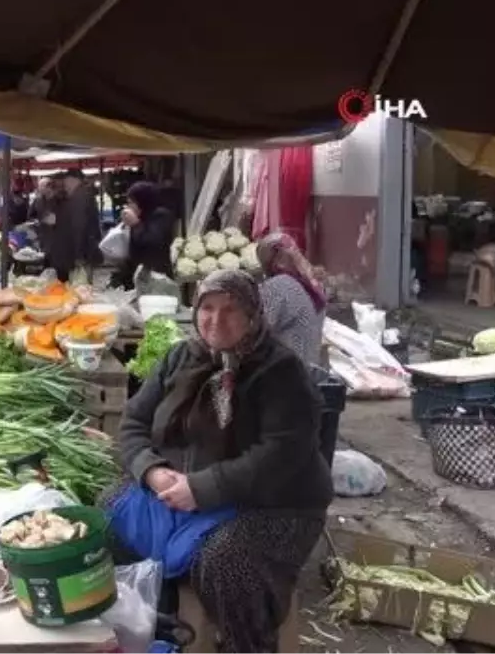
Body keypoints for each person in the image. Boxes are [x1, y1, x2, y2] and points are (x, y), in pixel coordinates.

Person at [116, 269, 332, 652]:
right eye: (208, 308)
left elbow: (281, 455)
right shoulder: (181, 357)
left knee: (224, 560)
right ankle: (151, 622)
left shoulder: (280, 372)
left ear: (253, 316)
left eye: (231, 310)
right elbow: (134, 422)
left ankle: (246, 643)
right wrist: (151, 471)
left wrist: (202, 488)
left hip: (273, 504)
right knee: (109, 517)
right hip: (182, 491)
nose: (216, 320)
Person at [256, 231, 327, 365]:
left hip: (288, 371)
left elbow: (258, 330)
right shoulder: (312, 283)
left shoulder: (279, 286)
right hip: (308, 368)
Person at [110, 181, 180, 291]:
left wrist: (136, 224)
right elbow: (134, 251)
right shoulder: (140, 218)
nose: (129, 207)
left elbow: (153, 241)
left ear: (143, 202)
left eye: (132, 203)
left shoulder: (161, 215)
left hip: (157, 279)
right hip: (138, 279)